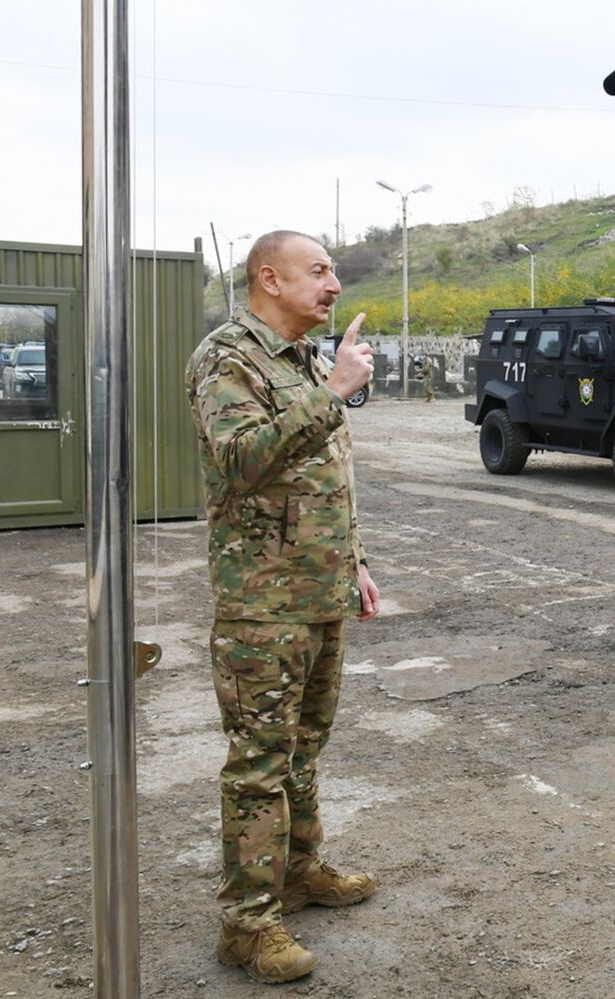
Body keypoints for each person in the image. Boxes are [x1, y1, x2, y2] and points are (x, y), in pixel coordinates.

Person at [186, 230, 381, 985]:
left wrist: (356, 562)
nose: (335, 284)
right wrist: (332, 392)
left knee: (304, 747)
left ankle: (298, 873)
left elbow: (326, 478)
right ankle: (247, 923)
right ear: (269, 278)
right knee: (261, 761)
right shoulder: (227, 358)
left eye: (333, 271)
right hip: (262, 602)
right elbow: (240, 460)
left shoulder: (300, 360)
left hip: (319, 590)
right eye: (320, 271)